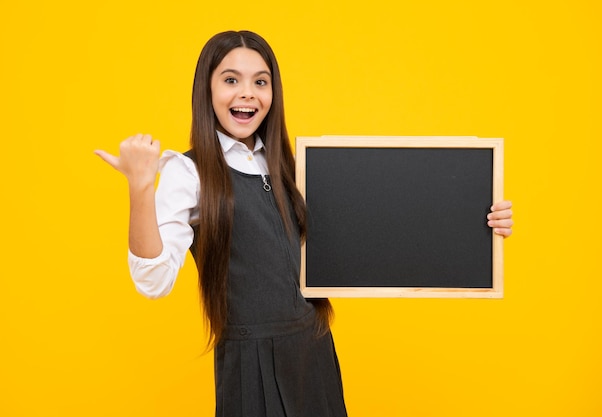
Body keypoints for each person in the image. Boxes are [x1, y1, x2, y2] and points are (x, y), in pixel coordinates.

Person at [95, 30, 513, 417]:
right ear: (206, 89)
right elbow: (153, 281)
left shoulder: (293, 165)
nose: (247, 94)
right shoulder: (190, 173)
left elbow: (384, 228)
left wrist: (477, 227)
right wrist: (141, 188)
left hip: (313, 352)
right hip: (250, 364)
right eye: (230, 80)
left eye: (261, 81)